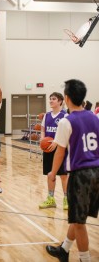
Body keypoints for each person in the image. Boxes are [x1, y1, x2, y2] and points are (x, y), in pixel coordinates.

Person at [46, 79, 99, 262]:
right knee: (77, 218)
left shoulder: (66, 122)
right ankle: (64, 249)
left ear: (66, 98)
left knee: (79, 224)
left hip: (81, 174)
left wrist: (53, 173)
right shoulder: (94, 117)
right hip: (96, 172)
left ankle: (85, 259)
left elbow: (60, 152)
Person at [39, 92, 68, 210]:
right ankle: (51, 199)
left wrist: (57, 141)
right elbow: (42, 129)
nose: (51, 101)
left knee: (64, 175)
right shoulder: (47, 115)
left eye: (54, 99)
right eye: (50, 99)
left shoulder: (65, 116)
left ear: (60, 101)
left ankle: (67, 200)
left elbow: (68, 134)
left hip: (61, 150)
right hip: (48, 150)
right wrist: (42, 138)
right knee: (50, 174)